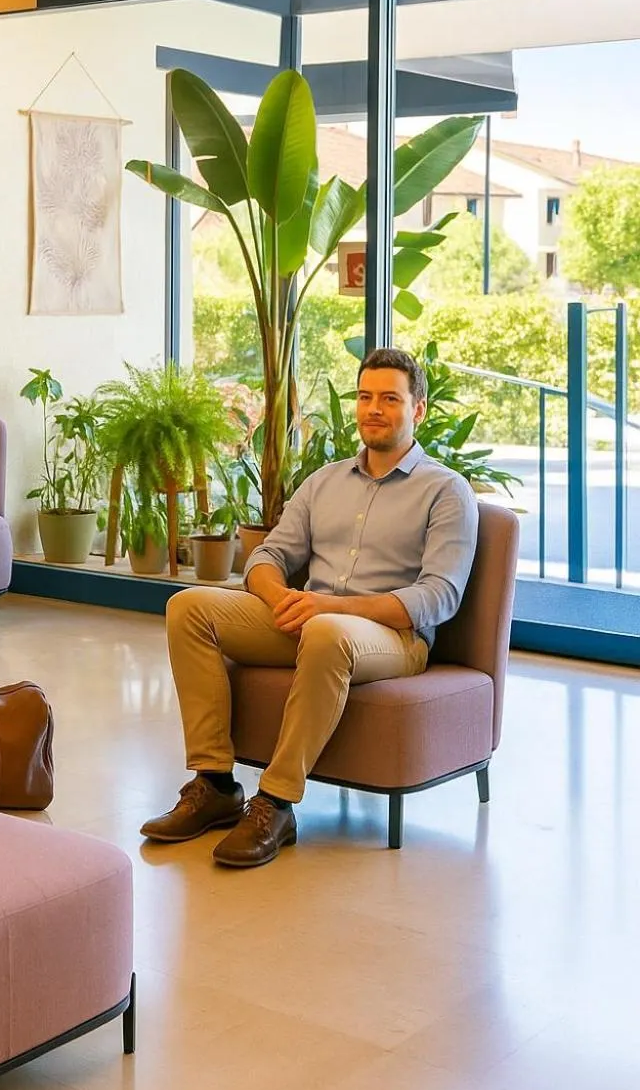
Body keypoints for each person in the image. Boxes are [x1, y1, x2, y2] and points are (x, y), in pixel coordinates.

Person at [141, 347, 479, 868]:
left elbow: (440, 595)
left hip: (393, 638)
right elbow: (268, 556)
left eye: (390, 398)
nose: (373, 408)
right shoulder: (325, 482)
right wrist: (281, 599)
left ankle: (276, 803)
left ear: (419, 410)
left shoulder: (446, 492)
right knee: (190, 607)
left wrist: (330, 608)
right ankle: (214, 784)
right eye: (365, 396)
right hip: (312, 620)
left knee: (326, 632)